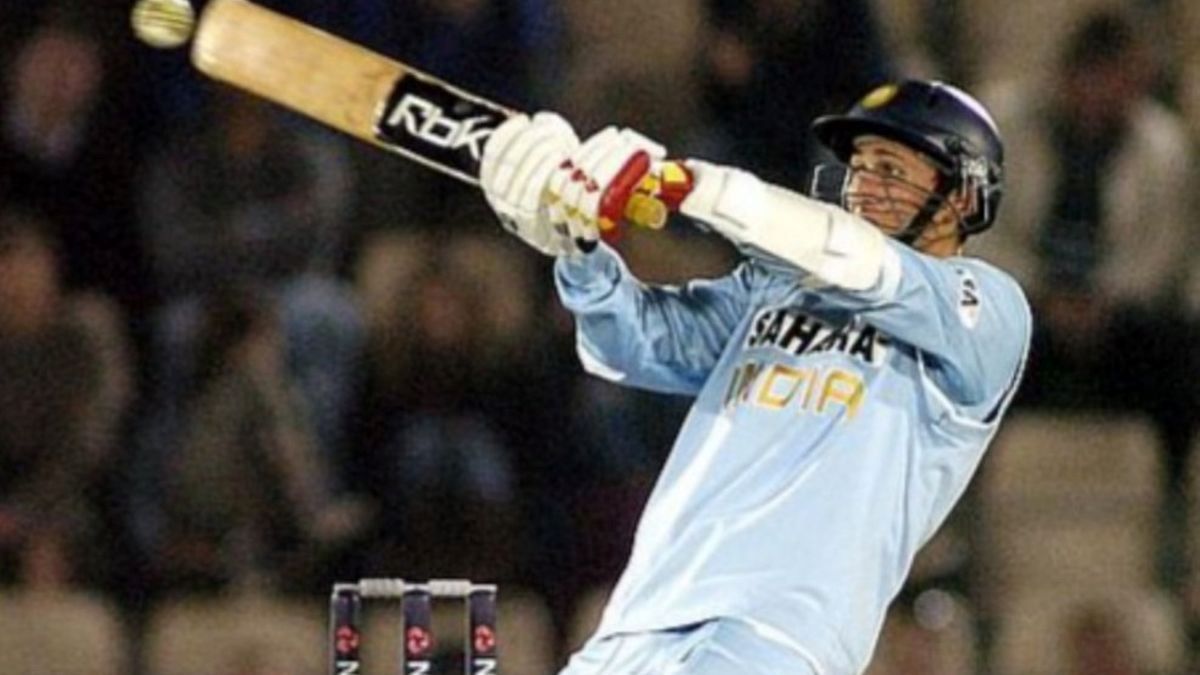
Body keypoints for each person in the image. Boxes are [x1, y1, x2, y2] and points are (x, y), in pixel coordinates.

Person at [479, 79, 1031, 674]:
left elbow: (856, 261)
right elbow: (632, 345)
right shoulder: (778, 288)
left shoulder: (990, 311)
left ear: (963, 195)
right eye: (861, 166)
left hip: (775, 637)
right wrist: (579, 248)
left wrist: (695, 187)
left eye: (891, 170)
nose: (865, 186)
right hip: (642, 620)